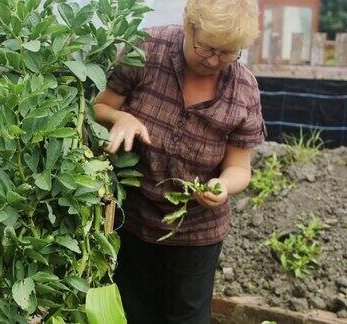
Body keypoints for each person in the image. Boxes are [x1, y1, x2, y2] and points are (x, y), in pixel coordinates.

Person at [93, 0, 265, 323]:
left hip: (197, 232)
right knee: (131, 311)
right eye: (207, 48)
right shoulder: (145, 49)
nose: (214, 60)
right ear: (189, 26)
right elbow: (98, 108)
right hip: (134, 218)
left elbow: (240, 168)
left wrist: (223, 185)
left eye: (228, 52)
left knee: (187, 316)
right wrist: (122, 117)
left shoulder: (244, 90)